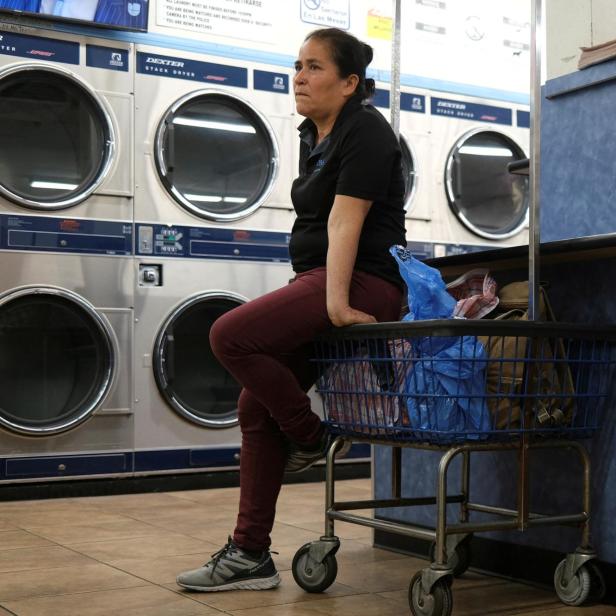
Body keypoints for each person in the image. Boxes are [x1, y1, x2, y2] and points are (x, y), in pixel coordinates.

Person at [177, 27, 406, 593]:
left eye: (315, 67)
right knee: (255, 407)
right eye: (297, 65)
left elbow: (343, 222)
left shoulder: (368, 133)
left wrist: (333, 303)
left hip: (365, 282)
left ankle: (312, 438)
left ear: (350, 83)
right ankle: (250, 554)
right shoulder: (315, 134)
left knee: (229, 335)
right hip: (326, 279)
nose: (299, 76)